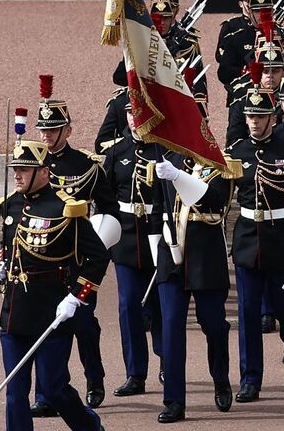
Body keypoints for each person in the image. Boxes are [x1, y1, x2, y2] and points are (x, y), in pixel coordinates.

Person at [0, 140, 106, 431]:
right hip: (14, 313)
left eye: (24, 169)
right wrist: (2, 266)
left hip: (50, 314)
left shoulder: (65, 209)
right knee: (16, 393)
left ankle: (89, 426)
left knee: (54, 388)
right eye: (15, 169)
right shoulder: (11, 205)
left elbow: (97, 257)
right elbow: (10, 245)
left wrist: (76, 298)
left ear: (43, 172)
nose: (17, 175)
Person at [30, 75, 113, 413]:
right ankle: (47, 393)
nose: (47, 136)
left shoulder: (86, 166)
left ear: (68, 130)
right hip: (43, 259)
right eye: (43, 131)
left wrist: (98, 238)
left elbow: (107, 210)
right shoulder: (32, 163)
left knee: (84, 326)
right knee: (44, 327)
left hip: (78, 260)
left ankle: (95, 380)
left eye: (53, 130)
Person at [225, 87, 284, 402]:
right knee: (247, 314)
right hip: (248, 239)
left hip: (282, 239)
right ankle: (250, 380)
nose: (255, 122)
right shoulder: (238, 152)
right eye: (250, 117)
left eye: (260, 116)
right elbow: (222, 197)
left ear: (272, 118)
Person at [148, 150, 234, 422]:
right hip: (170, 254)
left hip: (205, 256)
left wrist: (178, 177)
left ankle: (220, 378)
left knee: (213, 324)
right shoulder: (165, 161)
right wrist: (156, 257)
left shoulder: (220, 163)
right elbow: (157, 208)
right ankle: (174, 400)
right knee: (171, 325)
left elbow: (216, 201)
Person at [96, 128, 177, 400]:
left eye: (138, 112)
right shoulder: (117, 152)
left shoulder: (164, 149)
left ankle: (168, 360)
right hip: (126, 237)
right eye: (130, 113)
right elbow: (105, 198)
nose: (134, 119)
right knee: (128, 304)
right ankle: (135, 373)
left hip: (157, 234)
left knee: (160, 304)